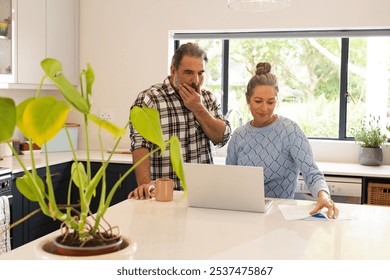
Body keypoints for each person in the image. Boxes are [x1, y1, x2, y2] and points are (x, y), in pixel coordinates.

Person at [225, 62, 339, 219]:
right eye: (258, 101)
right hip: (245, 216)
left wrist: (323, 195)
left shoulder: (290, 131)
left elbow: (312, 173)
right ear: (248, 99)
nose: (264, 108)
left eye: (270, 102)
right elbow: (229, 181)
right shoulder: (238, 136)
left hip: (281, 217)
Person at [128, 42, 231, 199]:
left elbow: (221, 138)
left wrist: (198, 108)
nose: (195, 80)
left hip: (202, 193)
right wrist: (144, 184)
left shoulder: (208, 98)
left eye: (200, 73)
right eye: (188, 72)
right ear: (173, 70)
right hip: (163, 193)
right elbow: (140, 144)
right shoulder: (150, 98)